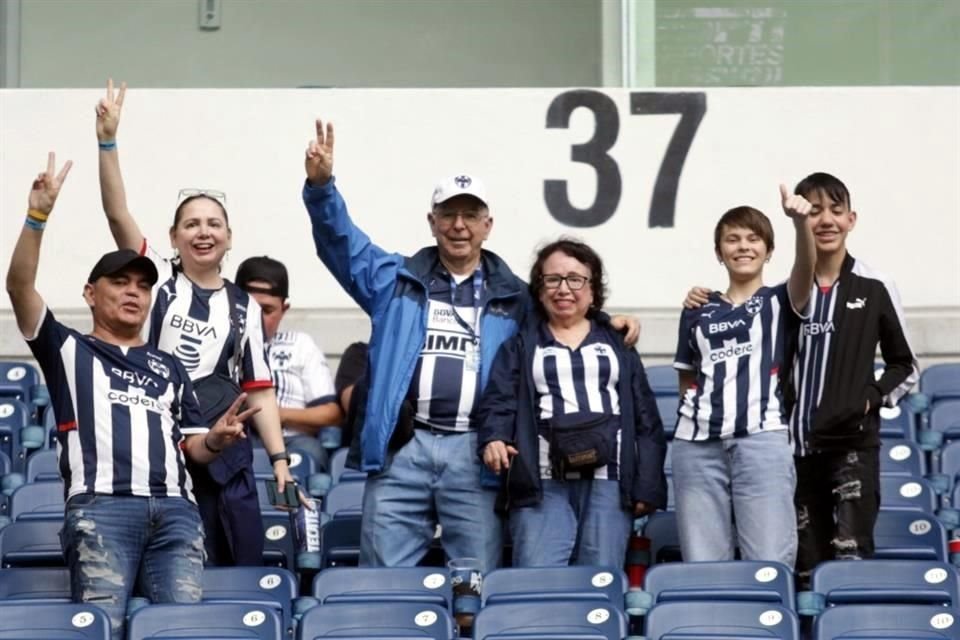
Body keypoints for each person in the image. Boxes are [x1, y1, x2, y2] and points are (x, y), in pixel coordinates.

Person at [300, 120, 639, 573]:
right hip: (406, 445)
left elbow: (564, 310)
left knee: (474, 580)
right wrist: (322, 188)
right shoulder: (394, 280)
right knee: (381, 578)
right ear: (432, 221)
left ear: (487, 225)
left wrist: (607, 322)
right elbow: (341, 244)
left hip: (476, 450)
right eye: (448, 214)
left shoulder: (517, 296)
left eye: (470, 215)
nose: (459, 226)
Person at [6, 153, 256, 640]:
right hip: (103, 510)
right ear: (90, 293)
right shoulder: (67, 349)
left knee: (180, 631)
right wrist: (37, 217)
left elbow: (193, 446)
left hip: (177, 514)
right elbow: (19, 287)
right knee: (102, 630)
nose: (133, 292)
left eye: (142, 284)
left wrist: (219, 440)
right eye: (118, 282)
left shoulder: (169, 366)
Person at [94, 79, 298, 566]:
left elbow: (260, 390)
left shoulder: (245, 307)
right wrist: (107, 141)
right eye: (191, 224)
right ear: (174, 236)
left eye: (213, 224)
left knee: (240, 563)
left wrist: (281, 462)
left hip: (229, 453)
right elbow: (116, 212)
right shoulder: (158, 280)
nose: (203, 232)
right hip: (164, 448)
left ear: (229, 238)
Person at [684, 173, 918, 584]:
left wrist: (867, 400)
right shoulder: (778, 298)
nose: (824, 220)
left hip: (851, 446)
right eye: (813, 211)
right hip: (792, 446)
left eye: (835, 210)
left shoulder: (876, 286)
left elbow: (906, 365)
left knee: (851, 561)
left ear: (851, 219)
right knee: (803, 568)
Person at [478, 239, 667, 567]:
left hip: (610, 482)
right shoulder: (521, 346)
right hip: (541, 484)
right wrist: (494, 437)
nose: (563, 288)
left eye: (575, 279)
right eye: (552, 279)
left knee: (600, 584)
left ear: (593, 290)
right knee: (538, 587)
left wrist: (647, 486)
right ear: (539, 290)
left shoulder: (618, 344)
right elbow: (499, 401)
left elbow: (646, 421)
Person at [671, 186, 816, 567]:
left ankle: (766, 627)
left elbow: (806, 270)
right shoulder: (697, 308)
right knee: (703, 563)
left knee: (769, 560)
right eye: (732, 239)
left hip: (761, 439)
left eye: (754, 239)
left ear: (769, 250)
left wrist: (800, 224)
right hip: (696, 445)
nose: (743, 246)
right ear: (719, 253)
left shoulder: (780, 299)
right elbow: (687, 377)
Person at [235, 255, 343, 467]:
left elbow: (331, 414)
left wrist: (275, 415)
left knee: (303, 460)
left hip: (293, 441)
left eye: (266, 310)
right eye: (249, 309)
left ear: (284, 309)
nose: (255, 318)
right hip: (237, 438)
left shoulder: (300, 345)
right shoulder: (217, 344)